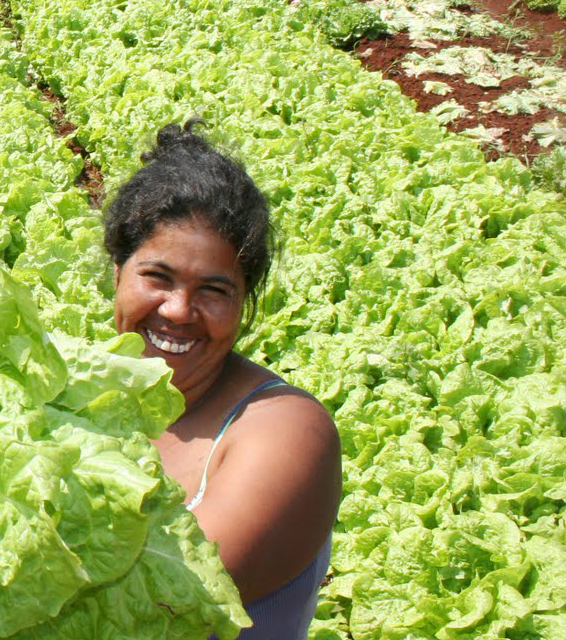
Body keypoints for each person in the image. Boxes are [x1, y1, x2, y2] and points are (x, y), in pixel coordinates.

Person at [104, 120, 342, 638]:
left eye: (213, 290)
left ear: (244, 300)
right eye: (157, 277)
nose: (179, 310)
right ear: (118, 270)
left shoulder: (285, 430)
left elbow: (157, 602)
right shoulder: (85, 391)